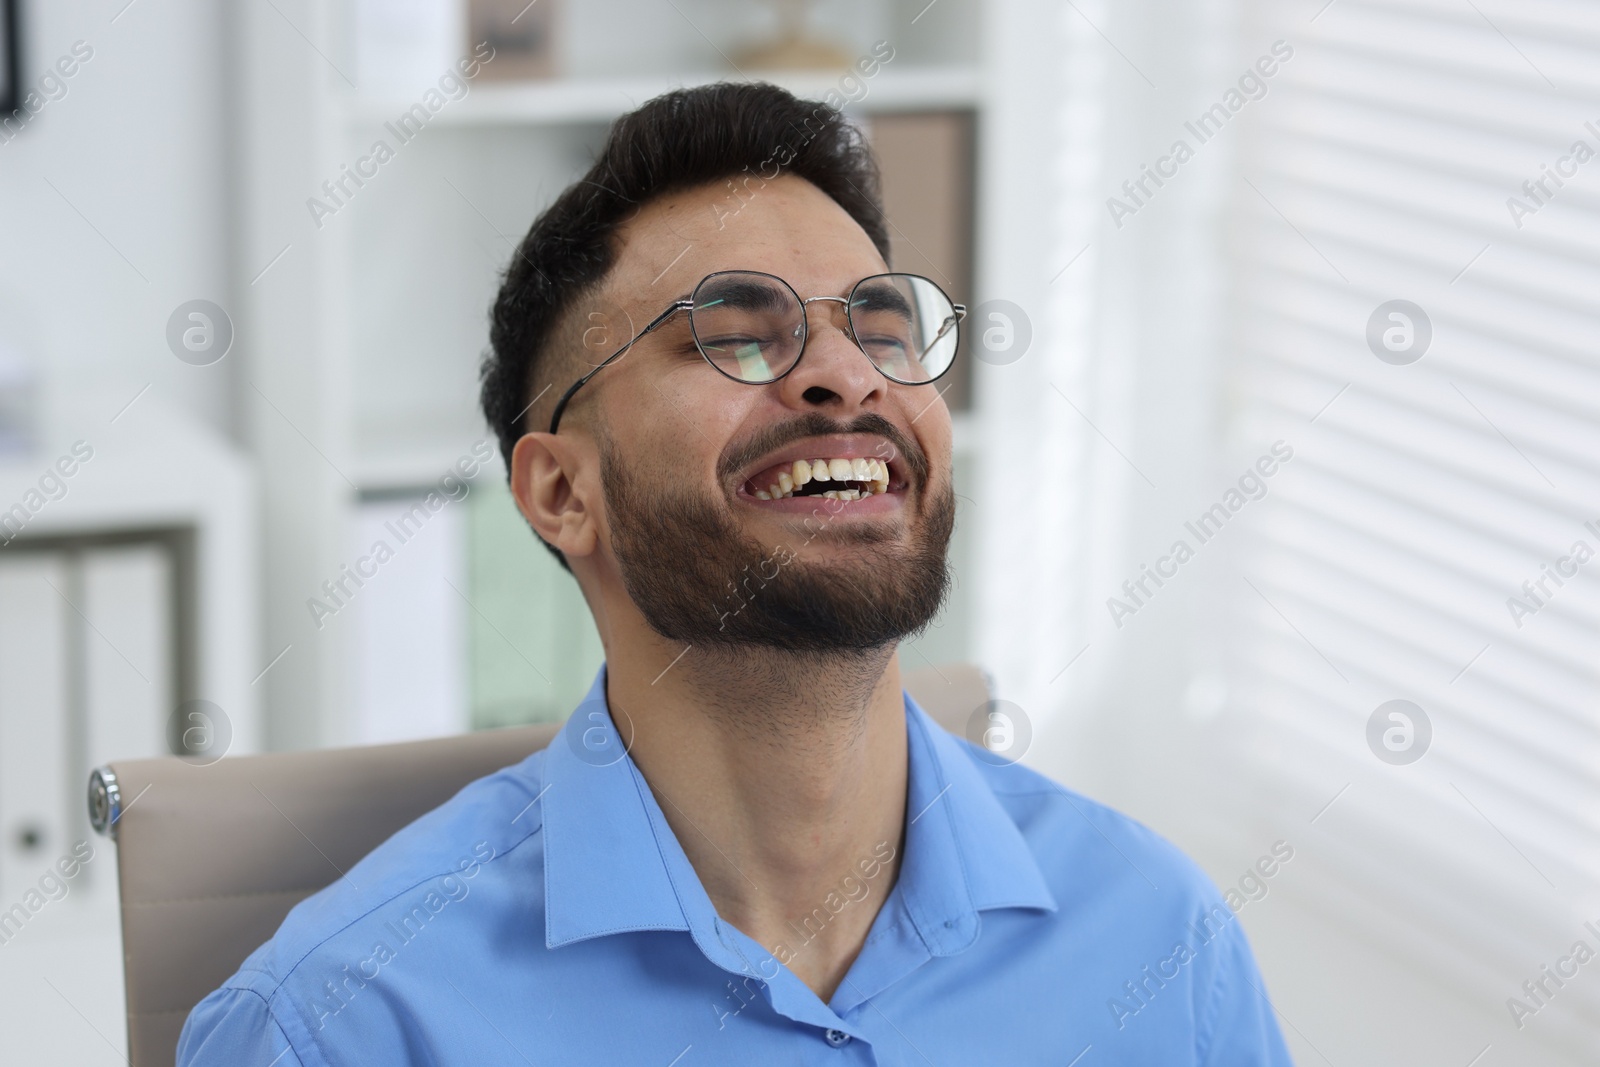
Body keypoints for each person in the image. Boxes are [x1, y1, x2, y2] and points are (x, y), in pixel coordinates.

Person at [179, 81, 1294, 1065]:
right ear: (563, 492)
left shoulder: (1157, 938)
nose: (845, 373)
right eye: (735, 332)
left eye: (882, 327)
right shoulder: (343, 1025)